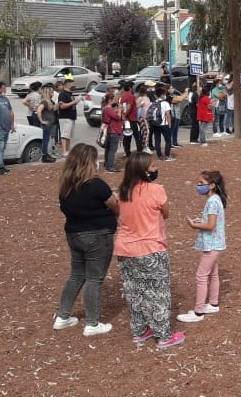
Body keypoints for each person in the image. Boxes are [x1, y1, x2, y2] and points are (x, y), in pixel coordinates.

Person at [115, 153, 184, 349]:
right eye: (153, 166)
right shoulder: (156, 190)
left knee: (134, 291)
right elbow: (166, 213)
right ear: (144, 170)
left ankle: (140, 331)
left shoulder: (123, 191)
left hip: (125, 248)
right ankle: (163, 336)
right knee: (158, 292)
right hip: (151, 247)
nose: (156, 169)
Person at [54, 144, 118, 336]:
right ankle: (92, 323)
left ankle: (63, 316)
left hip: (74, 235)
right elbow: (114, 205)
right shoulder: (96, 184)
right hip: (97, 236)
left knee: (76, 275)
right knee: (94, 279)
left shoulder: (65, 186)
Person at [177, 170, 228, 323]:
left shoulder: (212, 202)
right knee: (213, 274)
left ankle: (198, 312)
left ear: (212, 185)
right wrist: (200, 221)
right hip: (216, 243)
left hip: (211, 245)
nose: (198, 186)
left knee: (201, 276)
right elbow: (213, 222)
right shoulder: (216, 199)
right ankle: (213, 303)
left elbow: (211, 225)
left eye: (201, 183)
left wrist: (195, 225)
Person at [149, 87, 175, 161]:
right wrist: (169, 124)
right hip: (164, 124)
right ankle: (167, 156)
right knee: (168, 140)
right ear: (163, 94)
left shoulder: (153, 103)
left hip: (155, 124)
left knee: (157, 140)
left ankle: (159, 155)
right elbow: (168, 115)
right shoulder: (165, 103)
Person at [119, 81, 144, 157]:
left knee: (127, 137)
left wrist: (123, 116)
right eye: (133, 86)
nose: (134, 88)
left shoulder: (123, 96)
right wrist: (125, 115)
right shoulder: (131, 96)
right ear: (130, 88)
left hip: (126, 120)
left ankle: (127, 153)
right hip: (132, 120)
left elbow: (121, 107)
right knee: (137, 136)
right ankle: (139, 152)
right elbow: (129, 107)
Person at [56, 76, 79, 158]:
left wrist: (76, 102)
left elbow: (71, 103)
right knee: (64, 135)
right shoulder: (62, 94)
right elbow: (62, 106)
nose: (74, 86)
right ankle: (64, 151)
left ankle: (68, 151)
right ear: (68, 85)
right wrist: (74, 102)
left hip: (71, 117)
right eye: (72, 84)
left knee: (68, 135)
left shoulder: (70, 94)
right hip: (65, 117)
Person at [101, 92, 123, 173]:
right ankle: (110, 166)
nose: (115, 101)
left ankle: (107, 163)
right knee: (112, 150)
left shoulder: (105, 108)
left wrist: (117, 110)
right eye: (113, 100)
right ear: (110, 100)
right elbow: (118, 117)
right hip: (114, 131)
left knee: (108, 149)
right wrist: (120, 110)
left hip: (109, 131)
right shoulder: (108, 109)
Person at [36, 85, 58, 163]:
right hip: (46, 124)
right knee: (45, 140)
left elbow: (53, 109)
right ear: (48, 93)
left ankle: (46, 155)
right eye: (51, 92)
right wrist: (42, 121)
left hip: (50, 123)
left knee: (47, 139)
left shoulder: (49, 101)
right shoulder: (44, 101)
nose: (53, 93)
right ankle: (44, 156)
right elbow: (39, 111)